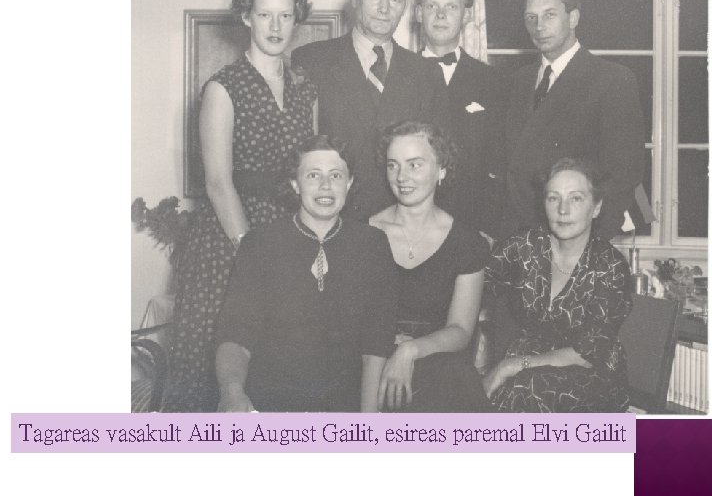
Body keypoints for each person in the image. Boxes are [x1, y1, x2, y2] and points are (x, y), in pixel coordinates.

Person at [161, 0, 317, 412]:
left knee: (279, 369)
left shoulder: (307, 89)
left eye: (285, 15)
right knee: (214, 375)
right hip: (228, 241)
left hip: (289, 234)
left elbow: (313, 170)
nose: (275, 26)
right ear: (247, 17)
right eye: (265, 14)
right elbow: (218, 183)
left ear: (297, 18)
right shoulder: (223, 87)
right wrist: (252, 253)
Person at [216, 135, 397, 412]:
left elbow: (376, 345)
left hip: (346, 405)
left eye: (336, 175)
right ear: (295, 184)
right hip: (269, 404)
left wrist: (367, 424)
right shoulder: (260, 244)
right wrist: (232, 393)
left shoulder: (373, 244)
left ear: (349, 183)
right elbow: (235, 336)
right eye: (313, 175)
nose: (326, 185)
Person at [292, 0, 450, 221]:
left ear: (405, 5)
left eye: (394, 0)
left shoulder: (426, 73)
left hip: (402, 224)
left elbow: (437, 159)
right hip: (332, 220)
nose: (384, 9)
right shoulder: (312, 61)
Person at [484, 158, 632, 412]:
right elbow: (477, 285)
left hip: (588, 375)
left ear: (596, 207)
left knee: (523, 391)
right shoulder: (524, 246)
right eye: (553, 198)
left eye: (576, 198)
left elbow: (586, 353)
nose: (563, 210)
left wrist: (509, 366)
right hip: (524, 366)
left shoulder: (610, 266)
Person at [503, 0, 646, 241]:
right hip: (519, 240)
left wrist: (588, 242)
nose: (539, 26)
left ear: (573, 18)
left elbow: (624, 175)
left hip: (577, 240)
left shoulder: (611, 79)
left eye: (549, 15)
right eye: (531, 18)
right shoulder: (517, 81)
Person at [370, 121, 492, 412]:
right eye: (393, 165)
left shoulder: (467, 242)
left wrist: (410, 351)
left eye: (415, 165)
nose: (401, 177)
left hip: (438, 360)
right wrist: (386, 346)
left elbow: (460, 330)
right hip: (372, 355)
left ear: (441, 170)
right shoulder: (365, 233)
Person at [415, 0, 507, 239]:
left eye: (451, 7)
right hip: (412, 224)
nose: (441, 15)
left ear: (466, 15)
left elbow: (500, 163)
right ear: (419, 13)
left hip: (472, 224)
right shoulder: (399, 76)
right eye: (432, 6)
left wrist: (489, 229)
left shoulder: (494, 82)